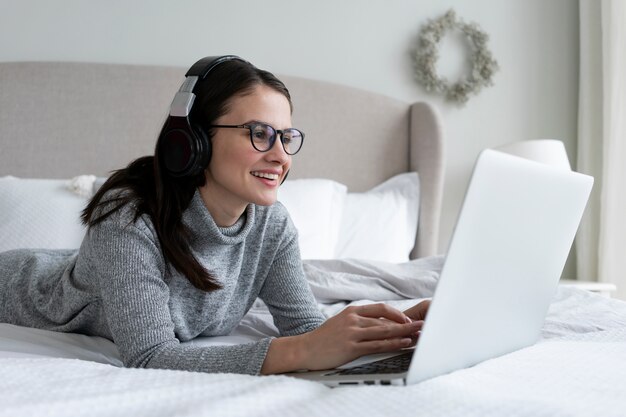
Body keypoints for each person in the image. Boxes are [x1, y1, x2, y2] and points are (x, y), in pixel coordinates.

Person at [0, 56, 429, 375]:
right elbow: (151, 356)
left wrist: (394, 332)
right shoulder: (127, 222)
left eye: (287, 137)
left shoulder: (271, 224)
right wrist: (296, 354)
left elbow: (304, 327)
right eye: (260, 134)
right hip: (17, 288)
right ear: (192, 141)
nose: (280, 157)